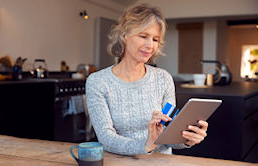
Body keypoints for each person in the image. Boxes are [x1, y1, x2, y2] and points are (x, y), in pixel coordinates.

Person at [85, 4, 208, 155]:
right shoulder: (98, 82)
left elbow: (168, 135)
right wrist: (146, 145)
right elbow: (106, 138)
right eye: (143, 36)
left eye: (155, 39)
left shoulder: (163, 79)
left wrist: (187, 139)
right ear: (124, 36)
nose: (150, 45)